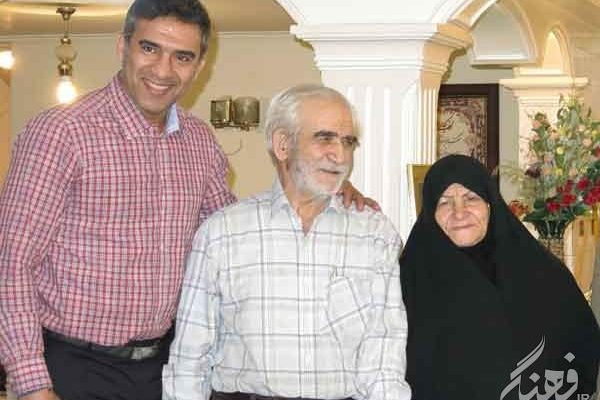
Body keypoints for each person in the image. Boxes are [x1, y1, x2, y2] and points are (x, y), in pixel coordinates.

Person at [0, 1, 371, 399]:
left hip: (163, 368)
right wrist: (33, 385)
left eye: (182, 57)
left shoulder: (199, 142)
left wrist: (317, 188)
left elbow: (236, 235)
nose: (163, 70)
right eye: (149, 48)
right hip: (72, 368)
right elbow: (11, 262)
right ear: (122, 46)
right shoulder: (61, 133)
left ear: (199, 66)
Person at [162, 84, 411, 400]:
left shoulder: (374, 234)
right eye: (325, 138)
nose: (340, 155)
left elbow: (384, 356)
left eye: (348, 142)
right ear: (282, 145)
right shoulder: (223, 233)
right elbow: (189, 358)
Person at [400, 154, 600, 400]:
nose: (459, 212)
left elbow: (581, 344)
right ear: (430, 213)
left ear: (490, 204)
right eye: (444, 202)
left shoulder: (541, 272)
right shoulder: (408, 282)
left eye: (471, 198)